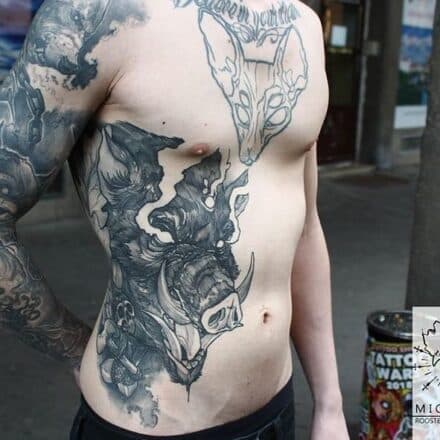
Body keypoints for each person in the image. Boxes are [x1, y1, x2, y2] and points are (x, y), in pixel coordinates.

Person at [0, 1, 350, 439]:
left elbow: (306, 229)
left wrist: (330, 404)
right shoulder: (97, 15)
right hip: (151, 422)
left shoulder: (303, 26)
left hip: (277, 409)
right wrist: (73, 348)